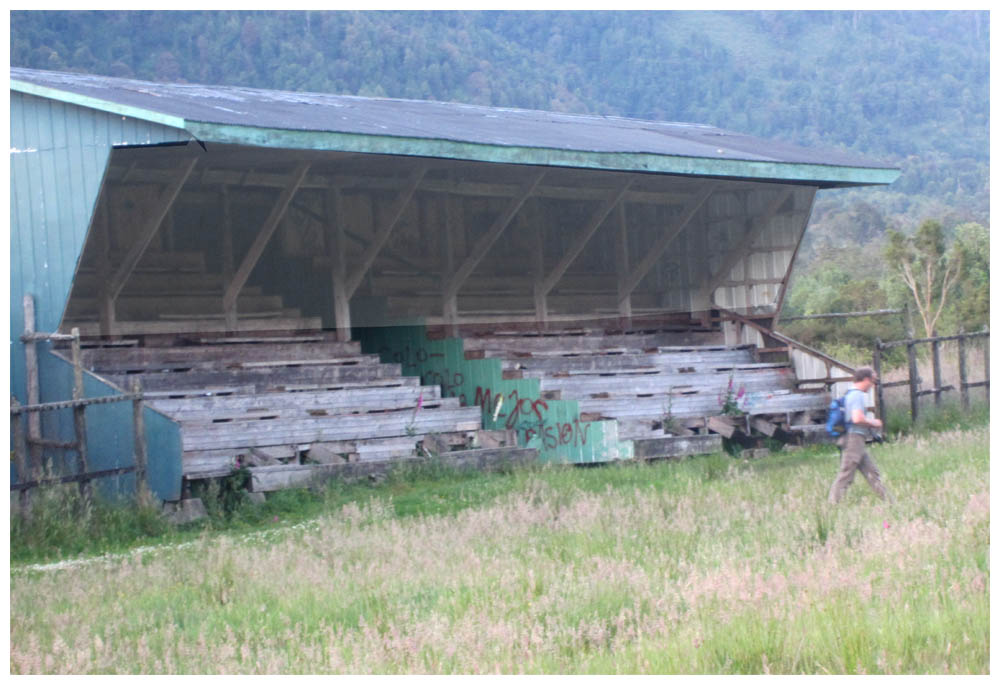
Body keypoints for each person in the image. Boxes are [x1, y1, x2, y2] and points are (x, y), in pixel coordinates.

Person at [828, 367, 889, 504]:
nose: (873, 385)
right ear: (866, 379)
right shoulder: (857, 395)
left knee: (872, 472)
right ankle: (832, 505)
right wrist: (874, 422)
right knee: (846, 474)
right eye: (873, 381)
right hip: (853, 439)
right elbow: (857, 419)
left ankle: (889, 502)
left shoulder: (851, 394)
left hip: (857, 439)